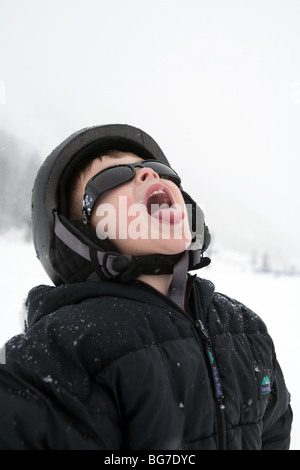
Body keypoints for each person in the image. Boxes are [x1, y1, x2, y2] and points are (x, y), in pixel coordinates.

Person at [0, 124, 292, 450]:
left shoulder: (245, 330)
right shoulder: (65, 348)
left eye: (158, 170)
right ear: (79, 236)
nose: (148, 176)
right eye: (111, 177)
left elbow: (275, 434)